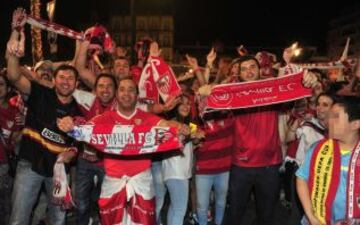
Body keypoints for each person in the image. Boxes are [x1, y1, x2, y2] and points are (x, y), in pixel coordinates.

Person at [58, 78, 190, 225]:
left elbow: (166, 125)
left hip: (142, 182)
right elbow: (81, 130)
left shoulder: (146, 117)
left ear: (137, 95)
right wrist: (69, 125)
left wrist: (179, 127)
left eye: (131, 90)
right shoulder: (104, 119)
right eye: (122, 89)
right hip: (112, 182)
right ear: (116, 94)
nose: (126, 93)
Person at [6, 19, 82, 224]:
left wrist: (71, 153)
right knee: (18, 219)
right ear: (54, 80)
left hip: (58, 172)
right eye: (62, 77)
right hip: (29, 165)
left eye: (70, 78)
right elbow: (13, 75)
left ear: (76, 84)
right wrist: (15, 36)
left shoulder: (79, 109)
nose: (66, 81)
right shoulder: (39, 93)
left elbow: (79, 144)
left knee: (58, 220)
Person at [228, 55, 318, 225]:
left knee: (267, 215)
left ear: (259, 69)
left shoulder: (273, 91)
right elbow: (210, 105)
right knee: (235, 213)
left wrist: (307, 82)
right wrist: (206, 91)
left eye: (252, 67)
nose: (249, 71)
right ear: (238, 74)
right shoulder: (233, 94)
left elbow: (298, 104)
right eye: (244, 69)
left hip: (270, 165)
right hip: (241, 166)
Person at [296, 97, 360, 225]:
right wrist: (311, 217)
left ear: (355, 124)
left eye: (336, 117)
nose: (329, 121)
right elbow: (301, 177)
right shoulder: (319, 148)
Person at [72, 73, 117, 225]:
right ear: (95, 89)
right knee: (80, 202)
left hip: (108, 164)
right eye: (101, 86)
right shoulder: (89, 100)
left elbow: (146, 109)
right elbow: (65, 86)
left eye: (109, 86)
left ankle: (99, 219)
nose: (105, 90)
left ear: (115, 90)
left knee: (105, 202)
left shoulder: (122, 107)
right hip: (85, 161)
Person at [0, 72, 22, 225]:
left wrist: (23, 126)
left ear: (8, 88)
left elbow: (16, 137)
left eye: (1, 84)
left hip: (3, 165)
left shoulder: (14, 112)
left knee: (6, 205)